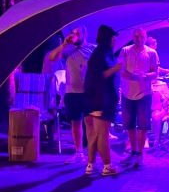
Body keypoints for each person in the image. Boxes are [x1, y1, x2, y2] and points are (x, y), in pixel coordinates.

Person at [48, 26, 93, 163]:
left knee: (90, 123)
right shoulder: (68, 50)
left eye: (78, 34)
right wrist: (64, 44)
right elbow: (52, 58)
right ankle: (79, 154)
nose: (75, 36)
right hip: (71, 92)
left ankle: (92, 154)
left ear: (85, 34)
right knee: (75, 123)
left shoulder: (93, 49)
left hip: (88, 92)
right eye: (73, 33)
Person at [83, 25, 122, 176]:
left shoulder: (102, 53)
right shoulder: (100, 54)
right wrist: (117, 68)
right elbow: (100, 75)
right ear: (107, 39)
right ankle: (107, 166)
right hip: (100, 100)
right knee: (102, 135)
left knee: (94, 134)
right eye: (112, 38)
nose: (114, 41)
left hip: (95, 99)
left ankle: (90, 165)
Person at [119, 28, 159, 167]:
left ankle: (140, 155)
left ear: (145, 37)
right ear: (133, 37)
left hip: (144, 94)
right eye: (136, 36)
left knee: (143, 125)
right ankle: (133, 152)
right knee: (129, 125)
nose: (139, 39)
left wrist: (145, 76)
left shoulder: (151, 52)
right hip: (127, 93)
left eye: (142, 36)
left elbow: (155, 73)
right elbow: (120, 70)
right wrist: (133, 76)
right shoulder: (125, 50)